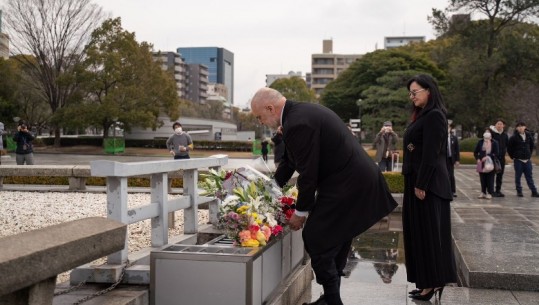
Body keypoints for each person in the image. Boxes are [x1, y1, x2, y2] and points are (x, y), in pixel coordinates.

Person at [250, 87, 397, 305]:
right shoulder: (297, 116)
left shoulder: (297, 122)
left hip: (349, 183)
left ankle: (331, 300)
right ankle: (330, 298)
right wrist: (270, 188)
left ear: (270, 108)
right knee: (336, 237)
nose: (261, 122)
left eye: (259, 116)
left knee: (316, 237)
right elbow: (290, 162)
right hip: (351, 180)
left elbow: (309, 172)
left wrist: (301, 212)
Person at [402, 74, 456, 302]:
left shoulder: (435, 116)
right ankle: (425, 283)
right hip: (416, 181)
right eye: (410, 93)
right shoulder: (422, 115)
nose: (412, 96)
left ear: (429, 92)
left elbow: (433, 153)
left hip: (428, 186)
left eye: (415, 92)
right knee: (419, 235)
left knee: (430, 235)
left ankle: (434, 282)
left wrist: (421, 184)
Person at [507, 121, 539, 197]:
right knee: (518, 176)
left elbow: (531, 146)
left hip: (527, 160)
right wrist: (513, 157)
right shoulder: (513, 137)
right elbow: (509, 148)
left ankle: (534, 191)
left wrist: (529, 155)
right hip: (518, 160)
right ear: (517, 128)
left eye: (522, 126)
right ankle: (519, 191)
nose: (521, 127)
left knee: (529, 176)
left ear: (525, 127)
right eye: (519, 126)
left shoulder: (529, 136)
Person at [474, 128, 499, 199]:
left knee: (490, 178)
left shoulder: (494, 142)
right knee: (482, 178)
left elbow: (496, 153)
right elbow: (475, 152)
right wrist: (478, 158)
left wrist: (488, 157)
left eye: (488, 132)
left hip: (491, 163)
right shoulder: (480, 142)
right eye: (485, 132)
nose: (487, 138)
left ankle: (490, 192)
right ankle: (483, 192)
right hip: (481, 163)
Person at [490, 119, 509, 197]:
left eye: (501, 124)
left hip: (501, 158)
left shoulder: (505, 135)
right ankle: (491, 191)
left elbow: (507, 145)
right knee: (492, 175)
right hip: (493, 158)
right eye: (498, 124)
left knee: (500, 175)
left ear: (503, 125)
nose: (499, 125)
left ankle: (498, 190)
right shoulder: (492, 134)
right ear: (495, 125)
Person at [447, 123, 460, 197]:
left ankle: (453, 190)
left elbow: (457, 150)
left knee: (451, 175)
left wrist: (457, 160)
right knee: (444, 175)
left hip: (451, 159)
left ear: (450, 128)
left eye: (448, 127)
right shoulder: (441, 137)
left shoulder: (454, 138)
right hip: (443, 159)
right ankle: (445, 190)